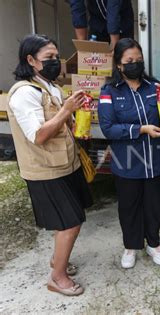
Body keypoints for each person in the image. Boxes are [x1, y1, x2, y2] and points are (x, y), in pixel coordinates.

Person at [7, 34, 93, 296]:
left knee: (67, 219)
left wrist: (75, 119)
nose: (56, 62)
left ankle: (59, 260)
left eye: (57, 57)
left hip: (66, 165)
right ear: (30, 60)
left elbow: (59, 125)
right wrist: (66, 110)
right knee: (70, 223)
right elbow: (39, 135)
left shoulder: (50, 87)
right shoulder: (24, 93)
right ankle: (57, 277)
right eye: (49, 58)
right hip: (45, 170)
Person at [98, 38, 160, 269]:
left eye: (138, 60)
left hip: (155, 160)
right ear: (119, 64)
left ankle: (154, 244)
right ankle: (130, 246)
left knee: (154, 205)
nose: (134, 65)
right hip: (127, 161)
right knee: (129, 207)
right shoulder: (109, 91)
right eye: (129, 61)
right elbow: (108, 127)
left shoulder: (154, 87)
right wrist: (140, 129)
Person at [70, 0, 134, 48]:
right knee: (94, 58)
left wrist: (115, 45)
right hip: (97, 22)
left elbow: (113, 9)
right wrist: (82, 46)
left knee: (122, 56)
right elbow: (77, 7)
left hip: (121, 22)